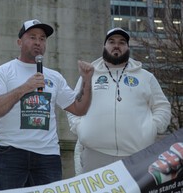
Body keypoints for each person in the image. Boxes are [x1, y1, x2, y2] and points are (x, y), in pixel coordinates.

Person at [0, 19, 94, 191]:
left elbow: (79, 109)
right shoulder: (3, 72)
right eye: (32, 37)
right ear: (19, 42)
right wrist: (25, 88)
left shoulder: (54, 77)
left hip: (47, 157)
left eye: (42, 39)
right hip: (11, 154)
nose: (38, 42)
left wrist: (87, 80)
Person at [67, 27, 171, 174]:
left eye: (122, 42)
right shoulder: (89, 75)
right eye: (111, 41)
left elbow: (162, 106)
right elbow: (74, 105)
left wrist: (153, 128)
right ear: (104, 46)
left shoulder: (145, 77)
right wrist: (79, 128)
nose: (116, 45)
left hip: (137, 155)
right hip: (95, 153)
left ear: (127, 47)